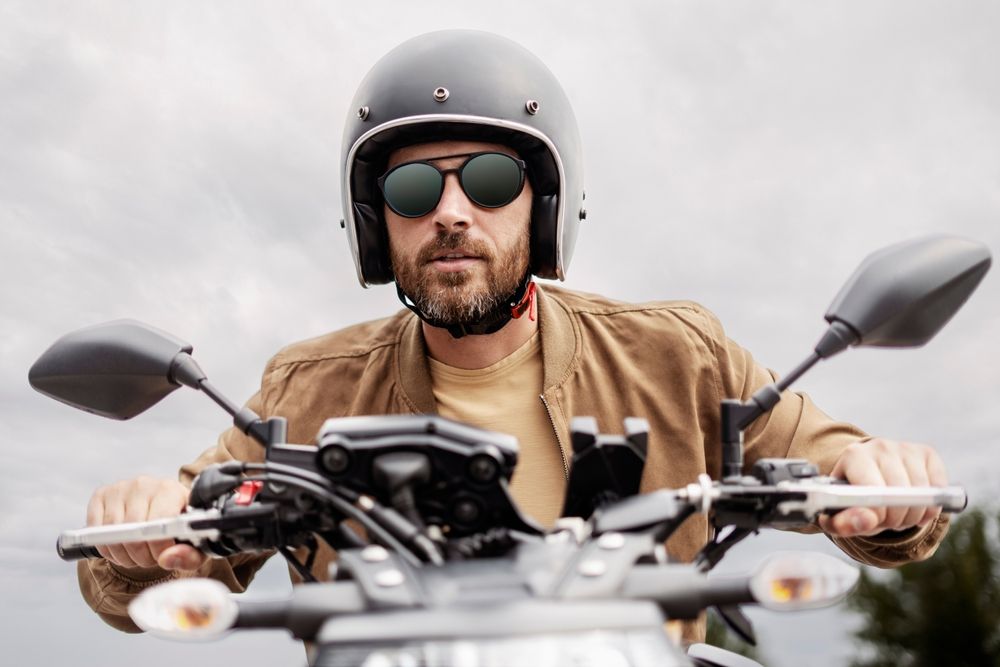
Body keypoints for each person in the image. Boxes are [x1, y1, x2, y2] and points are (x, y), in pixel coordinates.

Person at [78, 30, 950, 643]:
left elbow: (848, 473)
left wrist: (882, 480)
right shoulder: (307, 392)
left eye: (490, 179)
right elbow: (170, 546)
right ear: (377, 224)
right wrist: (136, 538)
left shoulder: (680, 356)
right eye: (415, 191)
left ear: (540, 204)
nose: (452, 212)